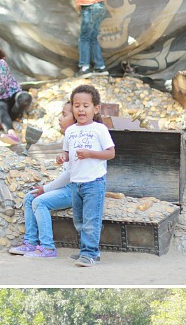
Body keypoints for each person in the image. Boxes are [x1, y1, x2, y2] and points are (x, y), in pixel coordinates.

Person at [9, 84, 114, 266]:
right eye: (77, 105)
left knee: (91, 219)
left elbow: (110, 153)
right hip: (76, 183)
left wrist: (90, 154)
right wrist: (62, 157)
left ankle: (90, 253)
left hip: (94, 182)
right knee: (79, 220)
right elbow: (67, 154)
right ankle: (85, 251)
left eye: (86, 106)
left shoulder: (99, 129)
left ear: (96, 108)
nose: (81, 109)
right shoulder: (71, 132)